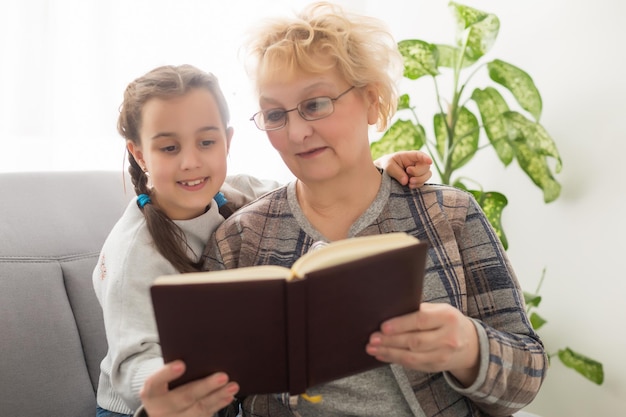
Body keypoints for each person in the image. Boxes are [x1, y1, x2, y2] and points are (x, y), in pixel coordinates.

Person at [200, 2, 547, 416]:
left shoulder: (451, 214)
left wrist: (470, 347)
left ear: (372, 100)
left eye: (315, 104)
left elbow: (527, 376)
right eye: (276, 114)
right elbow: (210, 398)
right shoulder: (239, 240)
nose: (296, 132)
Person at [93, 64, 433, 417]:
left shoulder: (240, 193)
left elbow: (308, 192)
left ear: (228, 141)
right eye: (169, 148)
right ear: (139, 154)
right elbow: (130, 365)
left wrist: (379, 168)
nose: (191, 162)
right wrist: (179, 383)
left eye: (206, 142)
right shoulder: (133, 251)